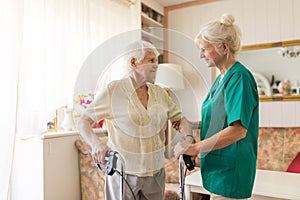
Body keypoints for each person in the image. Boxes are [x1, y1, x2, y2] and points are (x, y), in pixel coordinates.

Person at [77, 40, 182, 200]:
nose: (156, 65)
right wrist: (96, 144)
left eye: (157, 61)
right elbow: (82, 122)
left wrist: (187, 137)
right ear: (133, 62)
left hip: (155, 172)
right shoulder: (113, 91)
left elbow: (179, 119)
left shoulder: (160, 93)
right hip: (123, 172)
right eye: (151, 60)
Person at [174, 13, 259, 200]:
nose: (200, 55)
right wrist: (190, 124)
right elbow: (217, 121)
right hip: (217, 171)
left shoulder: (239, 78)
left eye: (204, 49)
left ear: (223, 47)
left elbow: (238, 130)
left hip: (231, 173)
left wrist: (196, 148)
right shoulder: (221, 78)